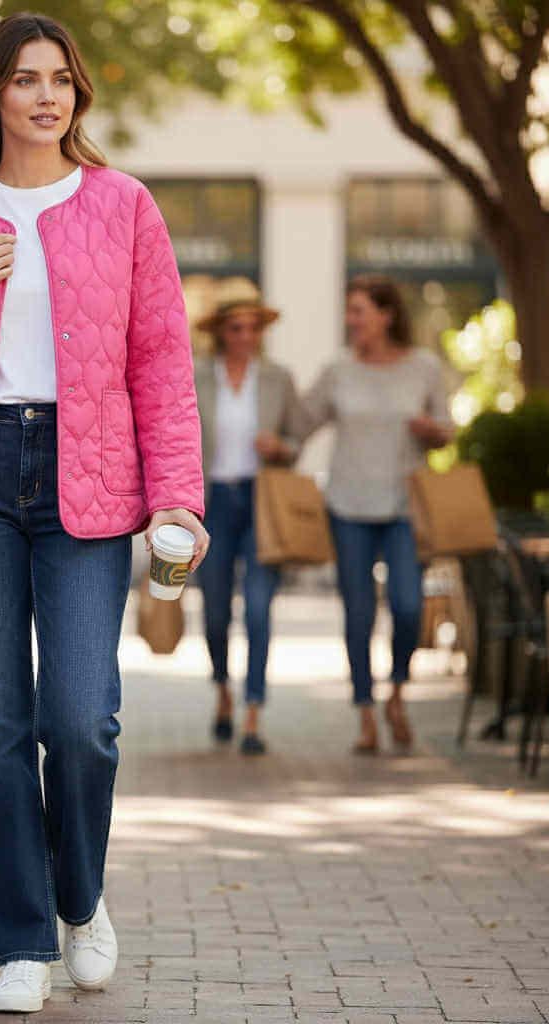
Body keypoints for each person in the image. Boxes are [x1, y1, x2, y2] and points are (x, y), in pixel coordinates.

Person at [0, 13, 208, 1014]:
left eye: (59, 79)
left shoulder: (123, 206)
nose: (45, 95)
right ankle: (17, 943)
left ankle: (79, 896)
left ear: (77, 95)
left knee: (81, 719)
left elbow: (161, 366)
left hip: (89, 479)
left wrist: (177, 501)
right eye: (24, 80)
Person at [303, 275, 452, 753]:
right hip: (347, 506)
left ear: (387, 316)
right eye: (350, 312)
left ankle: (398, 691)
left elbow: (448, 430)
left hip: (405, 508)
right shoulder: (338, 371)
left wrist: (433, 430)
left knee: (409, 606)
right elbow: (302, 422)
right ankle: (366, 711)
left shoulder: (424, 368)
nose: (352, 321)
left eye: (360, 311)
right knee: (359, 613)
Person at [194, 287, 308, 756]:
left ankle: (254, 712)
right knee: (216, 609)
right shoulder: (198, 376)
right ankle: (222, 687)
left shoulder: (278, 378)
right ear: (221, 331)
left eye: (255, 327)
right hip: (213, 501)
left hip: (263, 502)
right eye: (237, 326)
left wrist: (282, 448)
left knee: (259, 608)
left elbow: (299, 437)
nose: (247, 336)